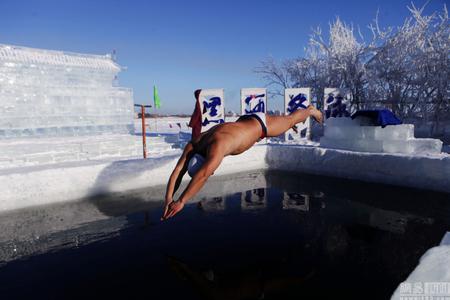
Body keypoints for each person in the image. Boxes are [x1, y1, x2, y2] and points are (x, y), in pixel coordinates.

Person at [161, 105, 323, 220]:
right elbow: (178, 171)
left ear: (206, 162)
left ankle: (310, 110)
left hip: (261, 125)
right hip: (244, 122)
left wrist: (181, 201)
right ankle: (289, 123)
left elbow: (202, 176)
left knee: (290, 119)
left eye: (211, 170)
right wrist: (169, 199)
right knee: (287, 122)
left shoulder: (218, 148)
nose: (212, 172)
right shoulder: (195, 144)